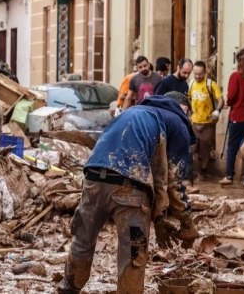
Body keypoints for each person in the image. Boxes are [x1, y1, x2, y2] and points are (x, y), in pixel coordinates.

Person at [58, 92, 199, 294]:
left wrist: (159, 219)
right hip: (129, 187)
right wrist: (188, 224)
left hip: (93, 177)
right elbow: (173, 183)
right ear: (184, 109)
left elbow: (158, 176)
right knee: (133, 253)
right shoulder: (178, 122)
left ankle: (68, 289)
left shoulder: (134, 111)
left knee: (83, 239)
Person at [220, 48, 244, 186]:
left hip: (237, 116)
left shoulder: (235, 76)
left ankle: (229, 176)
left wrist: (229, 105)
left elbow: (231, 96)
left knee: (232, 147)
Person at [188, 61, 224, 181]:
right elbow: (187, 101)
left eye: (200, 74)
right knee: (191, 149)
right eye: (195, 74)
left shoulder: (210, 84)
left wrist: (217, 111)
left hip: (208, 123)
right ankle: (190, 173)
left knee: (205, 150)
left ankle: (203, 173)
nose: (197, 76)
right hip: (194, 123)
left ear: (205, 72)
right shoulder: (191, 84)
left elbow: (221, 100)